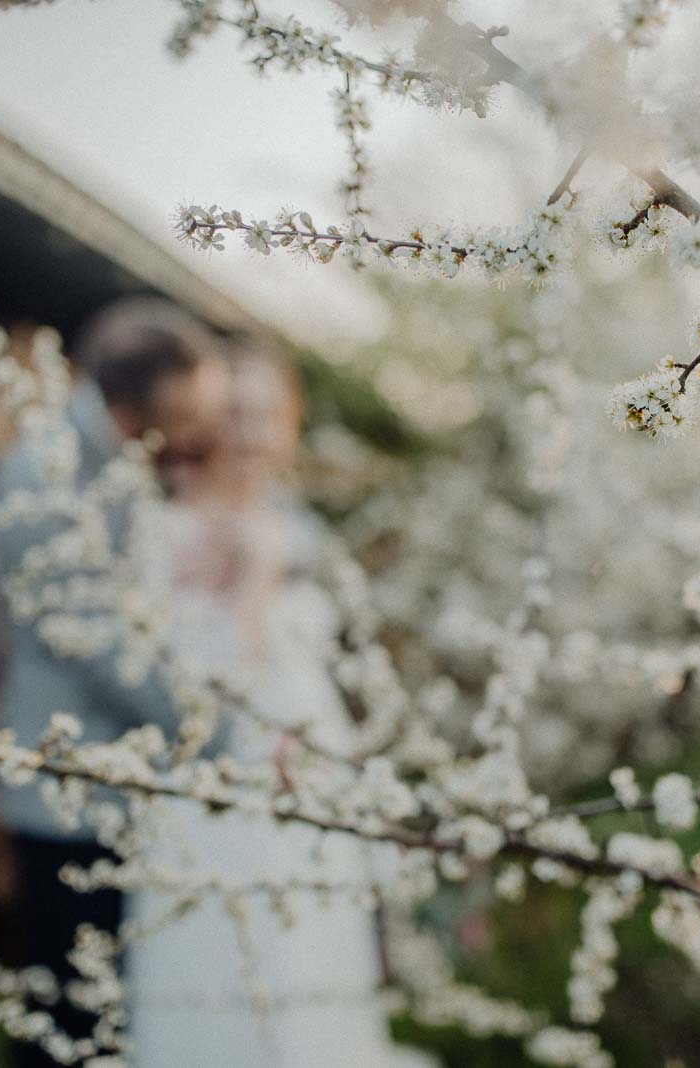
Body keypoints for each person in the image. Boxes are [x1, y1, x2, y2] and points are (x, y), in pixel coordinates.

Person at [127, 349, 433, 1067]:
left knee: (312, 944)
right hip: (219, 773)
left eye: (268, 415)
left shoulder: (296, 524)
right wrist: (252, 580)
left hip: (311, 762)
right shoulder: (170, 528)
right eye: (236, 414)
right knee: (226, 949)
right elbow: (204, 677)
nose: (253, 433)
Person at [0, 298, 231, 1067]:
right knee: (70, 1006)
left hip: (116, 778)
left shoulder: (115, 458)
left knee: (109, 1001)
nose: (195, 431)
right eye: (184, 413)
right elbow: (96, 644)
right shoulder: (45, 474)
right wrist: (202, 724)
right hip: (69, 785)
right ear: (132, 405)